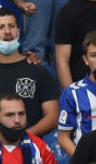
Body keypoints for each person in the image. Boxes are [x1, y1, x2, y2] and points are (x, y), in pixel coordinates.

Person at [0, 8, 61, 139]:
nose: (7, 31)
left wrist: (22, 137)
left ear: (18, 31)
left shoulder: (37, 69)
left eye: (11, 26)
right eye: (1, 27)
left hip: (29, 150)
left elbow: (53, 116)